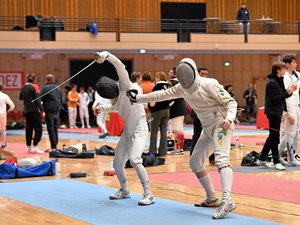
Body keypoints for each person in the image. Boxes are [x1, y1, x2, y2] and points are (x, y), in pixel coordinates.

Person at [128, 58, 238, 219]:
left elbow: (231, 102)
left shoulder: (209, 84)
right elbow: (161, 95)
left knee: (221, 159)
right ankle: (212, 198)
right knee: (195, 162)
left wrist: (229, 118)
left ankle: (227, 200)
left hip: (222, 124)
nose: (185, 80)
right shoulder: (181, 88)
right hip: (208, 127)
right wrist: (137, 98)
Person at [93, 51, 155, 206]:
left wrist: (106, 55)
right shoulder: (115, 100)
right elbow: (115, 107)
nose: (113, 100)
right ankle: (124, 190)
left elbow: (119, 65)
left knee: (135, 160)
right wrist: (101, 108)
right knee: (117, 163)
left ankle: (149, 194)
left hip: (140, 129)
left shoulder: (125, 86)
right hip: (128, 131)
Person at [256, 61, 297, 170]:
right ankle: (276, 161)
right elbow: (275, 99)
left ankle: (262, 158)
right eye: (283, 69)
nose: (285, 70)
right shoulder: (272, 83)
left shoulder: (279, 80)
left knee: (272, 136)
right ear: (278, 70)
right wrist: (287, 92)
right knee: (275, 137)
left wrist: (290, 91)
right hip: (273, 112)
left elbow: (284, 96)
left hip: (277, 112)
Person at [278, 55, 300, 166]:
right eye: (294, 62)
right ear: (288, 64)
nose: (296, 64)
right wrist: (291, 114)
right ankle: (285, 156)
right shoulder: (285, 78)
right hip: (289, 109)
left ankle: (293, 155)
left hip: (297, 107)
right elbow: (288, 97)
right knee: (289, 133)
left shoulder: (297, 75)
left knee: (295, 133)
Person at [191, 66, 215, 165]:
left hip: (209, 115)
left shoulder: (209, 85)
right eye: (202, 74)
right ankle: (193, 156)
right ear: (198, 74)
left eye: (206, 74)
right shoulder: (193, 85)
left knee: (211, 136)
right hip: (197, 114)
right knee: (197, 135)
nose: (204, 76)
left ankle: (211, 157)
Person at [19, 73, 45, 154]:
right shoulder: (35, 86)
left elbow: (20, 98)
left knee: (29, 129)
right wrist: (42, 110)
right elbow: (37, 100)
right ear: (33, 79)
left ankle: (29, 148)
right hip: (34, 111)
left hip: (27, 111)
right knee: (38, 129)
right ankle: (35, 146)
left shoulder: (23, 87)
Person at [148, 71, 172, 156]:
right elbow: (172, 99)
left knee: (154, 131)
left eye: (156, 77)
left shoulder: (157, 86)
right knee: (164, 131)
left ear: (158, 77)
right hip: (167, 110)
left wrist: (151, 109)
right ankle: (163, 151)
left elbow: (152, 99)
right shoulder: (169, 86)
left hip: (157, 111)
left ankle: (152, 151)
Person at [40, 74, 62, 151]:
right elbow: (61, 100)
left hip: (49, 110)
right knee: (55, 128)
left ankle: (53, 147)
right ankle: (54, 145)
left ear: (47, 80)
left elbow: (40, 99)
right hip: (56, 110)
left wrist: (41, 110)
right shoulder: (58, 88)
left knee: (50, 128)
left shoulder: (45, 88)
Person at [168, 66, 186, 154]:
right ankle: (178, 148)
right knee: (178, 129)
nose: (169, 74)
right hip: (181, 107)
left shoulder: (174, 83)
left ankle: (178, 148)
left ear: (175, 74)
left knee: (177, 130)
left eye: (171, 72)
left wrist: (168, 105)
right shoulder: (181, 83)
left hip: (176, 108)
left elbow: (173, 97)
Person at [0, 82, 15, 149]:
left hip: (3, 113)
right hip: (3, 113)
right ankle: (3, 144)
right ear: (2, 88)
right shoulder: (4, 96)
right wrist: (8, 110)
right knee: (3, 129)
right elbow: (12, 105)